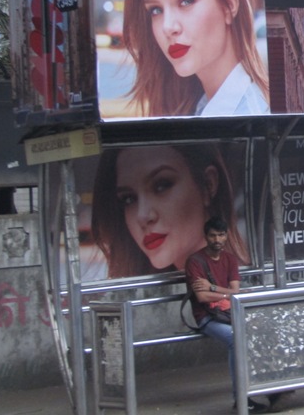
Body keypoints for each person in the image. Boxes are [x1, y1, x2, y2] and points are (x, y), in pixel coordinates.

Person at [122, 0, 270, 117]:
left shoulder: (251, 115)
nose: (168, 27)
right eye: (156, 10)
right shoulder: (200, 107)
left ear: (229, 5)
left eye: (186, 1)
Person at [91, 143, 249, 279]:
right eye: (129, 199)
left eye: (162, 185)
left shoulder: (243, 288)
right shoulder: (141, 295)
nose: (142, 215)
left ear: (208, 184)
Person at [186, 216, 290, 413]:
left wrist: (214, 287)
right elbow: (202, 297)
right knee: (236, 340)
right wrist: (224, 292)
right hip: (207, 317)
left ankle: (273, 389)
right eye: (212, 236)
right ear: (206, 237)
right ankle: (241, 398)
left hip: (230, 313)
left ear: (226, 236)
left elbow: (236, 292)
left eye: (221, 235)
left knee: (264, 333)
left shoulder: (229, 259)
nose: (217, 240)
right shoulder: (195, 261)